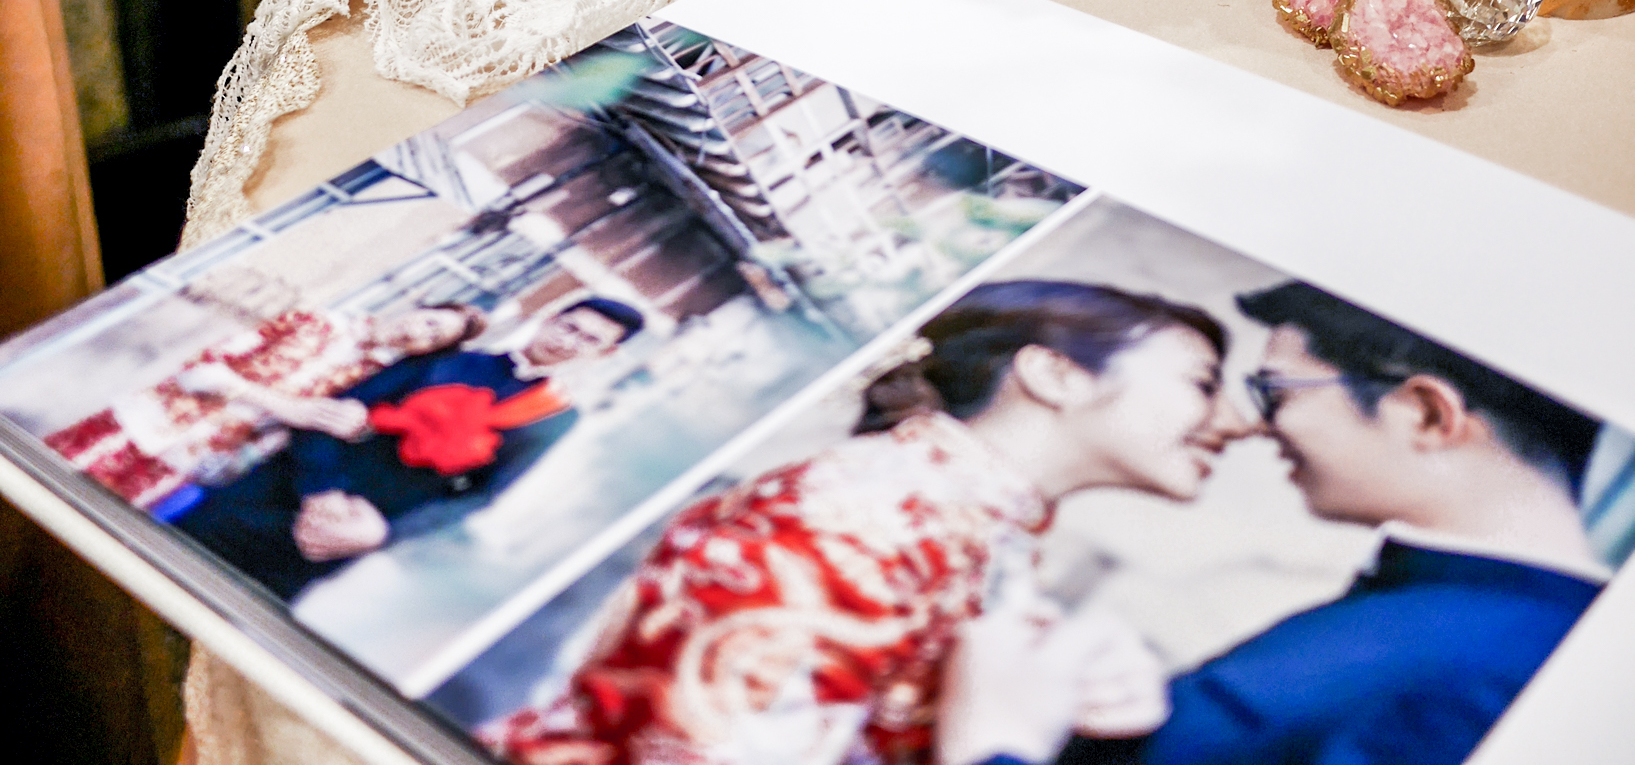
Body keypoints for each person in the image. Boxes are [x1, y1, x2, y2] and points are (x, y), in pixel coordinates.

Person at [480, 278, 1255, 765]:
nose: (1238, 422)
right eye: (1201, 383)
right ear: (1053, 374)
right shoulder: (862, 519)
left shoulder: (971, 525)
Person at [941, 279, 1607, 765]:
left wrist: (996, 741)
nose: (1254, 426)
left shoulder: (1467, 671)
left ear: (1428, 415)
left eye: (1273, 392)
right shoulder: (1498, 632)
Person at [175, 294, 644, 600]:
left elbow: (484, 497)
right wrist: (321, 491)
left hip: (339, 540)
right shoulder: (449, 358)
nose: (569, 341)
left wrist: (385, 536)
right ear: (550, 318)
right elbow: (328, 414)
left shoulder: (556, 420)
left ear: (604, 354)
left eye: (589, 340)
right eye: (569, 326)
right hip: (276, 492)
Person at [45, 302, 483, 512]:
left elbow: (301, 440)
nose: (418, 334)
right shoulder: (313, 320)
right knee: (43, 478)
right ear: (419, 306)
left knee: (78, 526)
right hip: (147, 420)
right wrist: (284, 406)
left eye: (433, 339)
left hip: (194, 463)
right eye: (429, 321)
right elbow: (199, 370)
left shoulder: (371, 384)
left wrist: (350, 428)